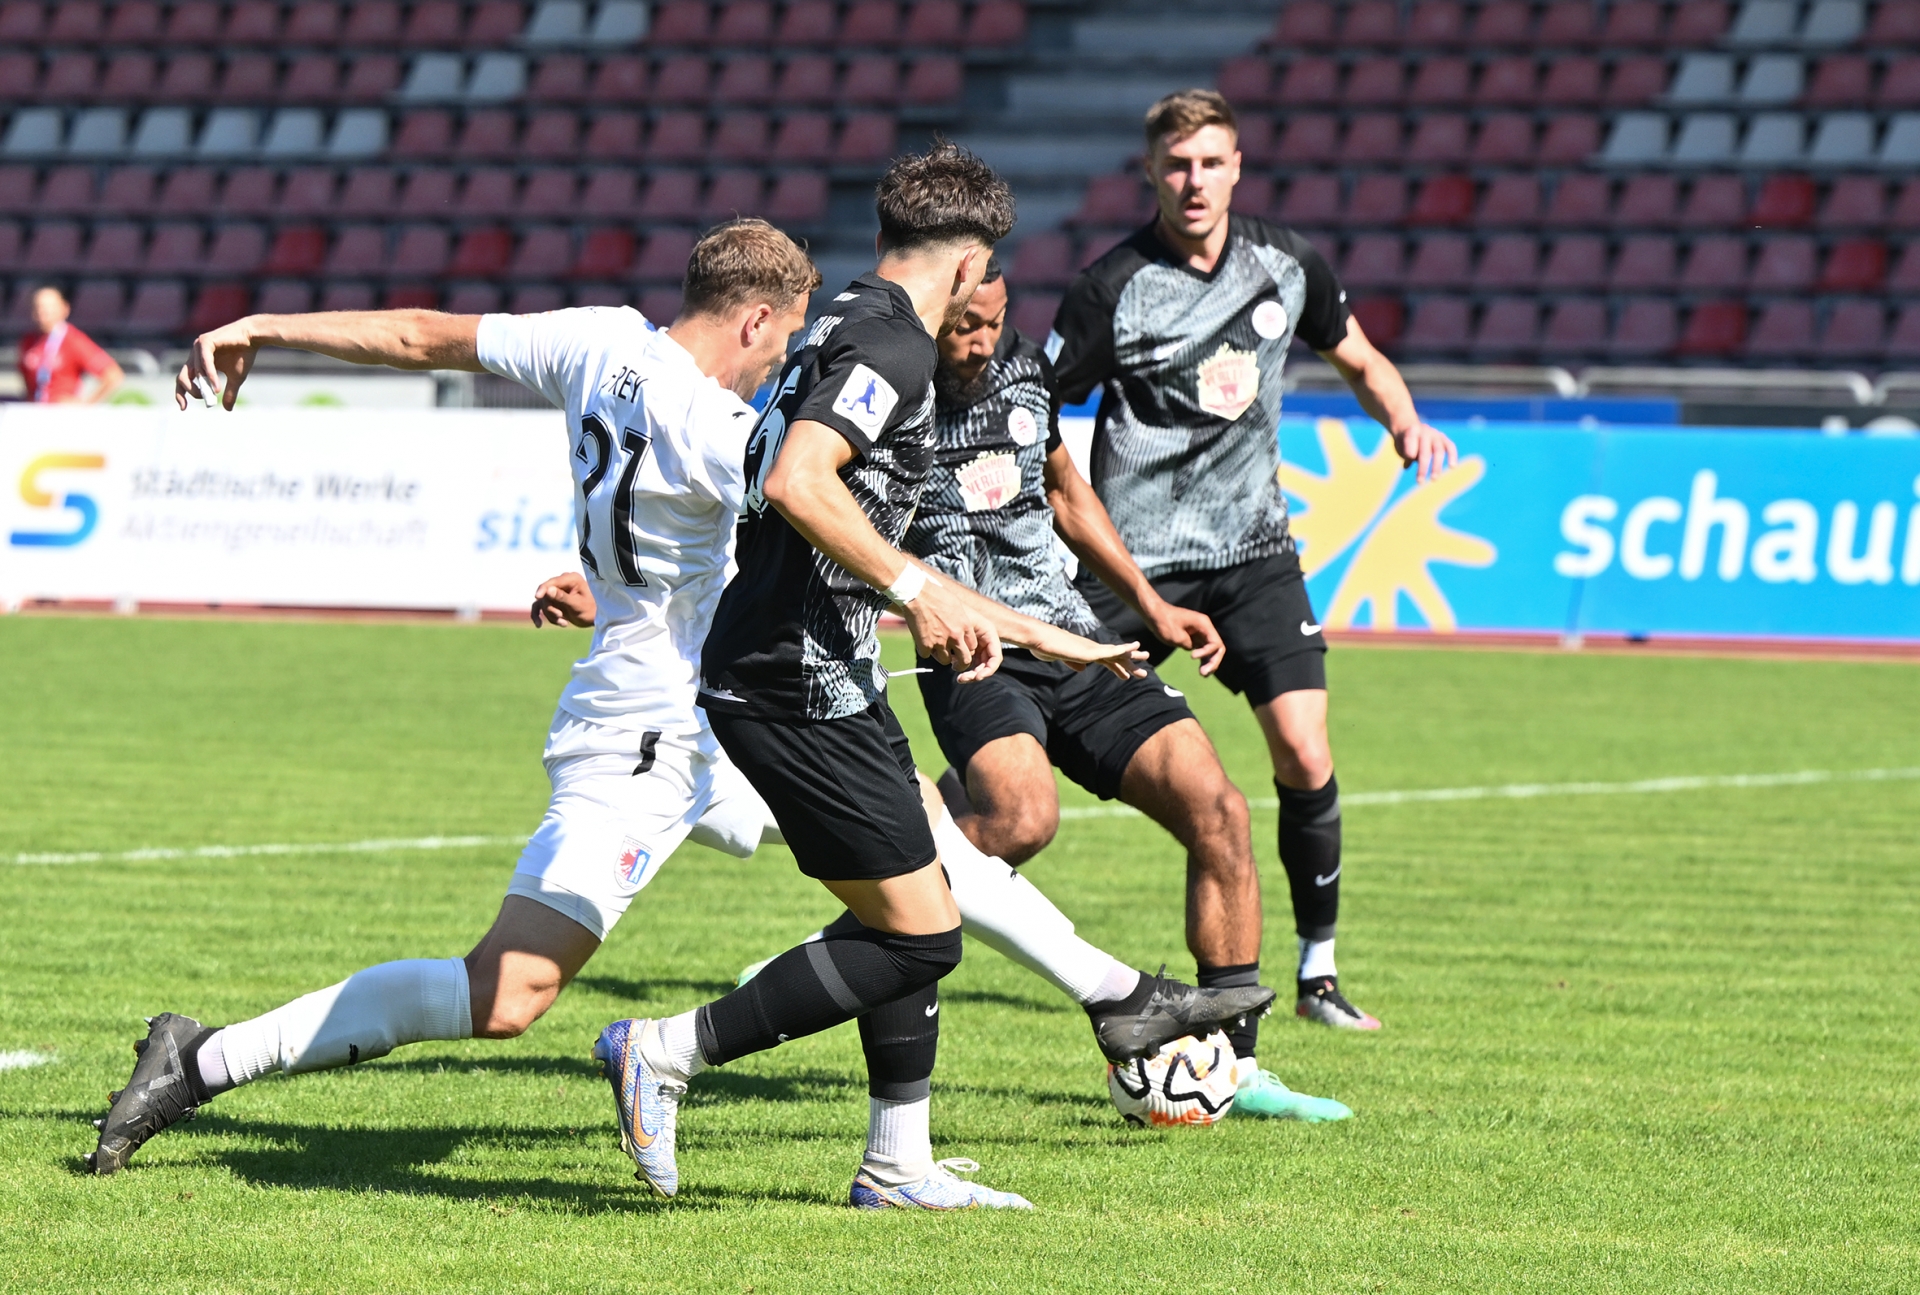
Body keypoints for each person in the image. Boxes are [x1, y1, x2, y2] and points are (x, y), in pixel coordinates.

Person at [88, 219, 820, 1177]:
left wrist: (263, 325)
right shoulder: (721, 428)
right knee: (506, 994)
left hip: (716, 717)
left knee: (917, 859)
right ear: (756, 320)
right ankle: (203, 1058)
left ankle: (906, 1144)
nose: (777, 366)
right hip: (651, 732)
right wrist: (937, 597)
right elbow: (810, 523)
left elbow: (417, 334)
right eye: (784, 341)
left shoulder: (599, 337)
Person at [590, 144, 1177, 1212]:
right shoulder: (893, 345)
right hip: (794, 683)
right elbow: (797, 479)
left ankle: (897, 1162)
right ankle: (666, 1050)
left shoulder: (838, 322)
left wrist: (1039, 633)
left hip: (825, 672)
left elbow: (835, 515)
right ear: (971, 264)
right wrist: (915, 589)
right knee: (922, 935)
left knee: (917, 911)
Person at [1050, 90, 1459, 1033]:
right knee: (1019, 756)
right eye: (1177, 164)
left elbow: (1359, 357)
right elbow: (1037, 415)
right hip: (1137, 568)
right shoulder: (1111, 287)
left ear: (1237, 168)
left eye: (1210, 163)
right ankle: (893, 904)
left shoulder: (1287, 264)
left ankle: (1318, 974)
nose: (1194, 181)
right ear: (1150, 172)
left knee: (1306, 750)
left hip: (1254, 555)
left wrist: (1403, 420)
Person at [903, 257, 1348, 1119]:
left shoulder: (1023, 369)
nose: (984, 341)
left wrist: (1151, 603)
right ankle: (851, 936)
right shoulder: (891, 392)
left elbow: (1068, 493)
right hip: (977, 648)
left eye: (994, 321)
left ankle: (1235, 1064)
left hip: (1077, 637)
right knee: (1019, 820)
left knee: (1219, 808)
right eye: (965, 327)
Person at [17, 285, 124, 404]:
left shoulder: (73, 340)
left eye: (49, 307)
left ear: (64, 309)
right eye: (38, 307)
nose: (43, 312)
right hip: (35, 409)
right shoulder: (29, 341)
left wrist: (86, 404)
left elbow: (113, 375)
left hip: (62, 411)